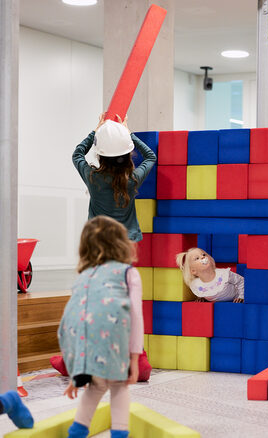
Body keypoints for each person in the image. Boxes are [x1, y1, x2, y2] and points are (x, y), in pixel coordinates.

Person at [58, 216, 144, 438]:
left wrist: (77, 371)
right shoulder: (128, 273)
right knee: (119, 385)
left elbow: (75, 317)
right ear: (121, 244)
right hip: (112, 337)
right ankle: (119, 433)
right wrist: (134, 359)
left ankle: (76, 432)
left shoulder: (83, 276)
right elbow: (135, 317)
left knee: (96, 386)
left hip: (80, 341)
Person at [73, 114, 156, 242]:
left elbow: (77, 155)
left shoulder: (93, 177)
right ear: (127, 157)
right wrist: (129, 134)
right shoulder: (132, 180)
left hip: (98, 240)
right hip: (126, 241)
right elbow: (150, 156)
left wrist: (95, 131)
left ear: (101, 156)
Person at [175, 248, 244, 303]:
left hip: (236, 297)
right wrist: (202, 297)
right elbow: (206, 292)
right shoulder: (196, 285)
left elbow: (241, 281)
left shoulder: (223, 274)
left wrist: (241, 296)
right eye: (197, 258)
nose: (202, 257)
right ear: (193, 271)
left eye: (204, 255)